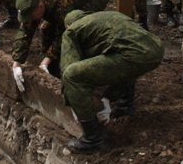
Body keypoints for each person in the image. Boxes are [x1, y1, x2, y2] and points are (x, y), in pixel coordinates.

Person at [60, 10, 164, 152]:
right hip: (156, 50)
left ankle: (93, 138)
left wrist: (74, 103)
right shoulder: (108, 18)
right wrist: (107, 99)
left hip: (134, 54)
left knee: (72, 76)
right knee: (126, 63)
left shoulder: (72, 31)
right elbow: (127, 67)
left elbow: (68, 70)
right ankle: (125, 106)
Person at [11, 0, 110, 89]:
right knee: (45, 29)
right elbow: (25, 31)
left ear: (41, 7)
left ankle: (83, 70)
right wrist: (16, 64)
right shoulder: (33, 1)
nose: (30, 20)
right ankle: (53, 67)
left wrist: (44, 62)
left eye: (31, 16)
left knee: (77, 29)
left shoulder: (62, 5)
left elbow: (62, 36)